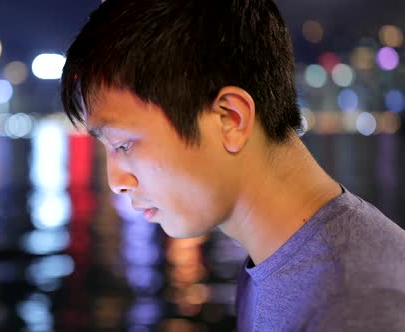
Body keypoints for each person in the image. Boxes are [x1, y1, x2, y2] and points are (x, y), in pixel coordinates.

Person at [60, 0, 405, 330]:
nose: (116, 181)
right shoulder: (275, 261)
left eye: (123, 144)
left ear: (230, 119)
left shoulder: (359, 307)